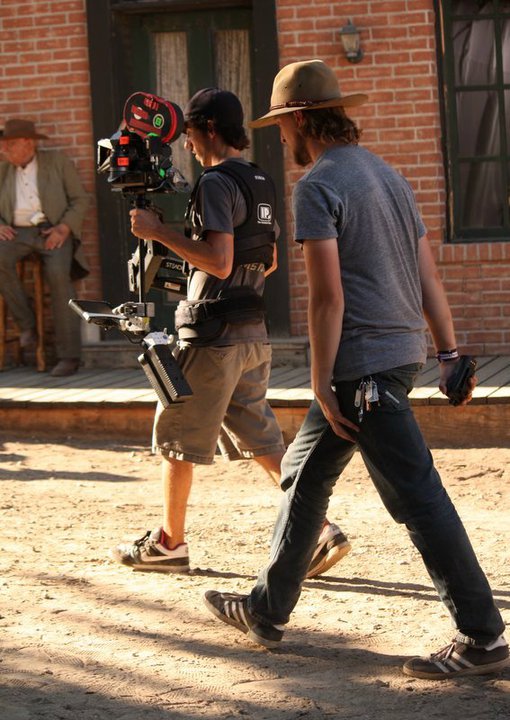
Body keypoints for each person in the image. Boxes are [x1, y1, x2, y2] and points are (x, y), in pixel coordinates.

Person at [203, 60, 509, 680]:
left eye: (282, 127)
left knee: (419, 500)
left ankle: (485, 640)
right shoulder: (390, 177)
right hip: (396, 357)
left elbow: (326, 298)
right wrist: (448, 352)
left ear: (297, 120)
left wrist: (320, 379)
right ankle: (266, 608)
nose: (281, 139)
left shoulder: (318, 184)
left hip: (357, 371)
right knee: (304, 476)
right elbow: (427, 271)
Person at [111, 87, 350, 578]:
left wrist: (158, 232)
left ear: (209, 130)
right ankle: (321, 530)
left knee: (175, 434)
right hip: (252, 332)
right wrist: (186, 246)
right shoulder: (259, 178)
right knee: (262, 441)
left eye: (193, 135)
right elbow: (270, 257)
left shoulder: (216, 182)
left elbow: (219, 261)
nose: (189, 147)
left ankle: (169, 544)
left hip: (212, 334)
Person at [0, 118, 89, 377]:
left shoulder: (56, 162)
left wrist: (63, 228)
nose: (4, 150)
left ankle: (69, 356)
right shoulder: (3, 170)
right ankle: (27, 326)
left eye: (10, 145)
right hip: (16, 232)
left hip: (52, 230)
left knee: (59, 276)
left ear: (28, 142)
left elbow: (80, 199)